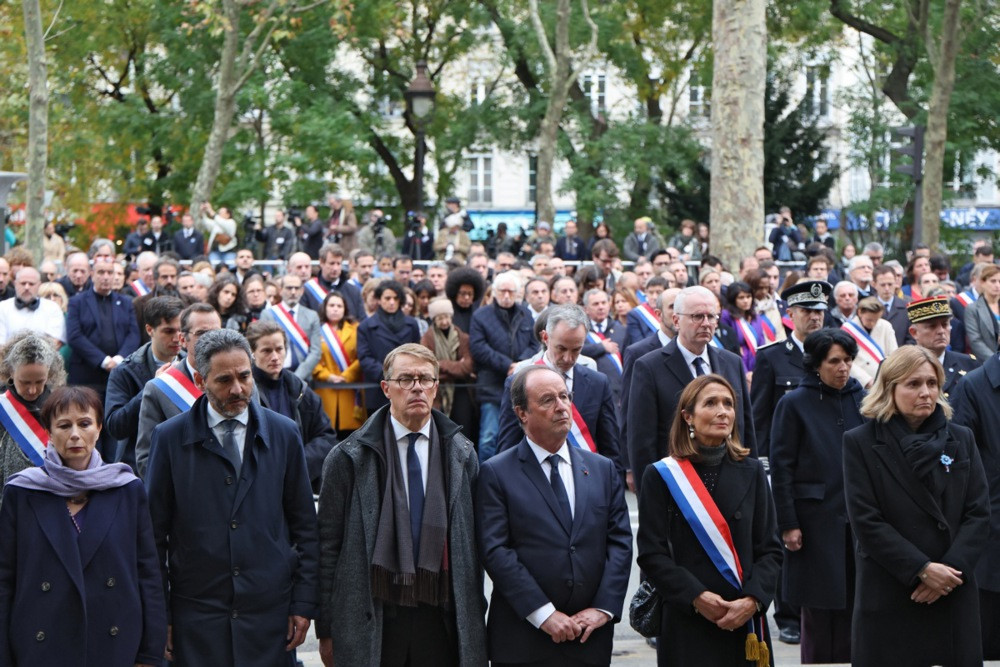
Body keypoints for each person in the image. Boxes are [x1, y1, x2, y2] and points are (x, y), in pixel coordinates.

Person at [146, 329, 319, 666]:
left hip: (270, 616)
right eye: (224, 380)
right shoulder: (168, 439)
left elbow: (306, 528)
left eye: (244, 376)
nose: (238, 389)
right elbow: (153, 536)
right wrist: (161, 614)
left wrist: (303, 603)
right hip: (196, 617)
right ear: (200, 380)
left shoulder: (284, 433)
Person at [316, 343, 487, 666]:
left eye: (425, 379)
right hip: (375, 616)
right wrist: (326, 627)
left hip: (442, 616)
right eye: (406, 379)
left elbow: (475, 546)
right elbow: (327, 547)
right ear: (386, 388)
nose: (417, 387)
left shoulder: (462, 454)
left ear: (437, 387)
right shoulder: (348, 457)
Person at [843, 346, 989, 666]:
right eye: (913, 384)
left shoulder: (961, 438)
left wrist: (948, 573)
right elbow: (866, 520)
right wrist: (921, 569)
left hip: (952, 586)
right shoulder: (860, 442)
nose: (925, 392)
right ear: (889, 389)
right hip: (893, 588)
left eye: (932, 383)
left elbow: (978, 512)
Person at [477, 365, 632, 666]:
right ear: (522, 412)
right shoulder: (497, 472)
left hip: (589, 635)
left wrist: (603, 608)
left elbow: (620, 542)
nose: (561, 406)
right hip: (524, 637)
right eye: (548, 400)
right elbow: (496, 550)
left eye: (564, 396)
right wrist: (544, 614)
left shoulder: (601, 469)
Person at [0, 385, 166, 666]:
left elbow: (148, 572)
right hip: (39, 646)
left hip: (114, 644)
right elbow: (5, 579)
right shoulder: (23, 491)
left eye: (85, 423)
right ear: (49, 433)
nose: (75, 434)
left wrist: (150, 652)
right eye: (64, 425)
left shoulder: (127, 489)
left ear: (99, 429)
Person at [636, 374, 781, 666]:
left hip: (744, 621)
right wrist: (697, 597)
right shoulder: (662, 475)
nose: (723, 411)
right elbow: (652, 554)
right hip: (687, 620)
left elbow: (770, 550)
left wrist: (752, 601)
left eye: (728, 404)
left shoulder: (752, 471)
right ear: (687, 416)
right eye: (711, 403)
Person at [770, 329, 864, 663]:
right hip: (813, 521)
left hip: (858, 520)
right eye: (834, 361)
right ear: (816, 364)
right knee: (820, 609)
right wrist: (788, 523)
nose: (843, 368)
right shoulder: (794, 403)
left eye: (848, 360)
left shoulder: (860, 397)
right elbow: (782, 467)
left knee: (857, 606)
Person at [628, 286, 756, 493]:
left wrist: (751, 483)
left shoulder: (731, 363)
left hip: (730, 484)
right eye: (697, 316)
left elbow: (745, 428)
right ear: (676, 321)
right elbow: (642, 440)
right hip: (678, 488)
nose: (706, 323)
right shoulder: (649, 367)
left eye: (711, 316)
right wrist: (650, 497)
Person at [495, 304, 623, 471]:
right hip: (535, 478)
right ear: (545, 337)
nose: (568, 358)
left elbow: (610, 447)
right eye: (561, 348)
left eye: (576, 350)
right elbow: (507, 444)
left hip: (585, 477)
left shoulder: (597, 382)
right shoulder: (518, 382)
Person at [246, 320, 336, 492]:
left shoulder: (301, 390)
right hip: (260, 486)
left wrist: (298, 465)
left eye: (279, 349)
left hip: (300, 486)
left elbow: (326, 437)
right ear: (252, 353)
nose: (275, 357)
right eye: (266, 350)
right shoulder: (245, 393)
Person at [134, 303, 222, 478]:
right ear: (182, 339)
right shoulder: (160, 389)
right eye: (202, 334)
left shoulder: (243, 381)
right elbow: (147, 459)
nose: (212, 340)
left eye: (217, 333)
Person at [751, 280, 830, 465]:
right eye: (806, 311)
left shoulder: (834, 355)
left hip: (826, 454)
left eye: (818, 311)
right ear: (790, 314)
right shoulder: (770, 357)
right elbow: (759, 417)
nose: (814, 317)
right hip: (787, 456)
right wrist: (762, 461)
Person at [103, 296, 185, 472]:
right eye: (168, 331)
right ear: (150, 329)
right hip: (138, 466)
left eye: (181, 331)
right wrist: (153, 386)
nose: (177, 338)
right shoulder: (125, 370)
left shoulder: (192, 364)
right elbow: (115, 426)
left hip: (182, 463)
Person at [470, 271, 535, 461]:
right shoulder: (481, 316)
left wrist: (520, 365)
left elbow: (534, 343)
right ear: (495, 292)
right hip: (492, 384)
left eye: (510, 291)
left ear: (517, 293)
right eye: (502, 291)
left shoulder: (526, 314)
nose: (506, 296)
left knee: (518, 438)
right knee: (488, 438)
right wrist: (507, 365)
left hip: (522, 384)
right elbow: (478, 347)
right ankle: (485, 482)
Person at [65, 258, 141, 398]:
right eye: (101, 272)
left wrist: (119, 359)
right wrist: (103, 361)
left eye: (109, 272)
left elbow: (133, 334)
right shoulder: (77, 302)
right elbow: (74, 335)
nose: (106, 277)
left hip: (119, 374)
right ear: (92, 274)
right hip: (86, 375)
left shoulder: (126, 303)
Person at [0, 333, 65, 489]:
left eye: (39, 382)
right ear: (10, 372)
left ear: (49, 374)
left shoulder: (59, 406)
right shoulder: (3, 406)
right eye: (25, 382)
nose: (32, 389)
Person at [357, 280, 421, 415]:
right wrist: (389, 375)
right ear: (379, 300)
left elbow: (417, 354)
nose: (392, 302)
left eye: (395, 298)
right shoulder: (366, 326)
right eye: (387, 298)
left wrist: (403, 376)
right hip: (378, 388)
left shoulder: (411, 324)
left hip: (406, 386)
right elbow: (364, 358)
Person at [420, 297, 477, 440]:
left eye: (446, 317)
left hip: (461, 391)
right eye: (440, 318)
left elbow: (467, 367)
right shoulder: (427, 339)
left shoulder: (462, 337)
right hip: (438, 392)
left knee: (464, 430)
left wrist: (441, 364)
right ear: (434, 320)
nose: (444, 322)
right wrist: (456, 366)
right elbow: (429, 368)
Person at [313, 291, 364, 437]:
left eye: (339, 306)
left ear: (345, 309)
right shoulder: (316, 329)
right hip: (325, 389)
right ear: (325, 308)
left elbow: (361, 357)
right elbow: (312, 358)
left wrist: (347, 375)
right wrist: (327, 376)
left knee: (350, 436)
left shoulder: (356, 329)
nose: (335, 309)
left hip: (350, 389)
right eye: (331, 305)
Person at [260, 274, 323, 382]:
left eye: (297, 288)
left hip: (304, 379)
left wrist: (296, 377)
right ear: (280, 290)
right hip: (275, 378)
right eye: (289, 288)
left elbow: (316, 352)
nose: (293, 292)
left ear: (302, 291)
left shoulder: (312, 316)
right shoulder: (268, 314)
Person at [0, 267, 67, 346]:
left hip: (43, 357)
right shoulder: (2, 308)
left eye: (31, 284)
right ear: (15, 284)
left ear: (39, 285)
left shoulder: (52, 308)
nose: (27, 287)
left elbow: (54, 343)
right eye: (23, 283)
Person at [843, 297, 898, 390]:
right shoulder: (847, 329)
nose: (872, 323)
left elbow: (894, 354)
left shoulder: (886, 326)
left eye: (876, 320)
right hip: (859, 382)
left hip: (884, 380)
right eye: (869, 320)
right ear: (860, 312)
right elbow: (846, 360)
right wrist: (866, 381)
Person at [720, 281, 767, 379]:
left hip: (756, 363)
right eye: (741, 297)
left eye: (748, 296)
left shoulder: (755, 316)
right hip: (738, 363)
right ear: (733, 299)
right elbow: (728, 346)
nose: (746, 300)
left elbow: (762, 342)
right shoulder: (726, 316)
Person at [964, 263, 1000, 359]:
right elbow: (975, 341)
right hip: (986, 364)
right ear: (983, 282)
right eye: (993, 281)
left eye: (999, 281)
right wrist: (996, 360)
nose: (997, 285)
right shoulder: (972, 309)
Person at [199, 202, 239, 266]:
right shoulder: (216, 223)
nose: (218, 214)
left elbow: (221, 221)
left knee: (232, 268)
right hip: (215, 251)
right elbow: (205, 222)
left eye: (221, 213)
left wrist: (210, 210)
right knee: (212, 267)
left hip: (229, 252)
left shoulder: (231, 222)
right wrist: (202, 211)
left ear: (228, 214)